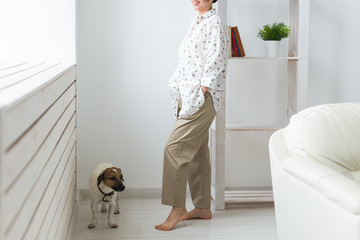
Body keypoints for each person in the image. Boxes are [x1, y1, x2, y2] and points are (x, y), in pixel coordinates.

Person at [155, 0, 229, 231]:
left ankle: (177, 209)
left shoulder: (214, 23)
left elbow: (217, 59)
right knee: (197, 151)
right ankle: (203, 207)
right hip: (186, 94)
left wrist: (203, 90)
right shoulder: (196, 22)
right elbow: (190, 60)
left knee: (174, 149)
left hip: (201, 97)